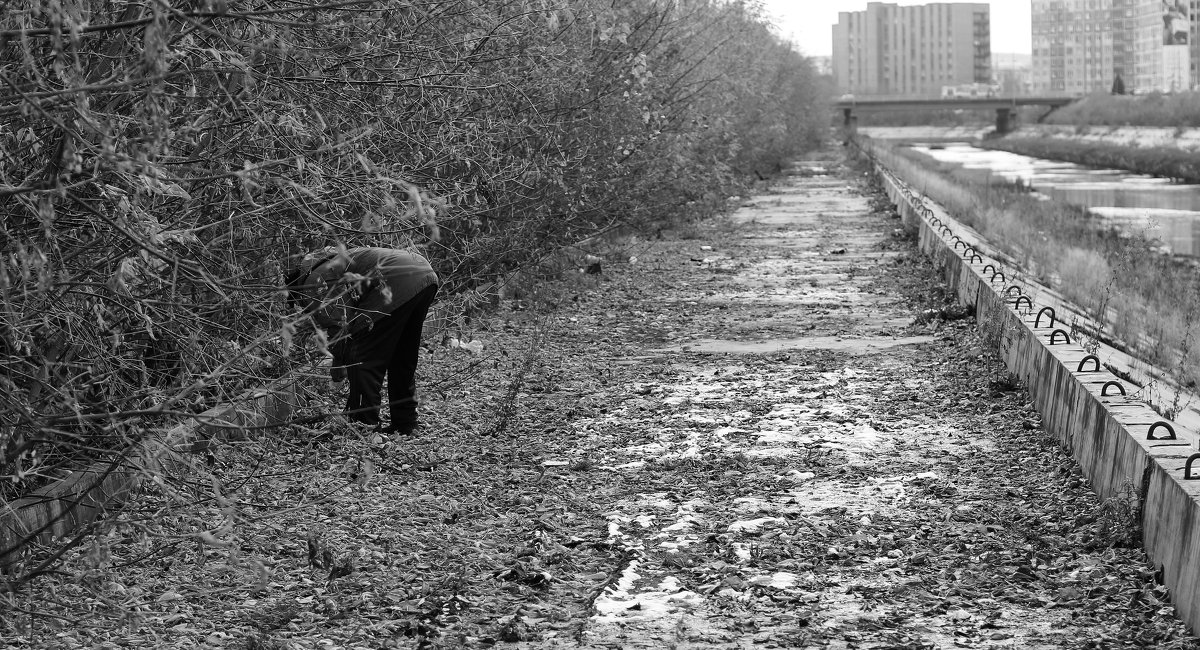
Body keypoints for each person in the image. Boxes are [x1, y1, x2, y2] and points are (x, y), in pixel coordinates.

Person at [285, 246, 439, 435]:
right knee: (402, 356)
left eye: (300, 302)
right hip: (423, 273)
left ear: (297, 289)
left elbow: (340, 324)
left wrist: (338, 364)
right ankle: (406, 422)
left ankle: (363, 425)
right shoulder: (331, 262)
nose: (304, 307)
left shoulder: (313, 282)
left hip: (395, 281)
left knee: (362, 357)